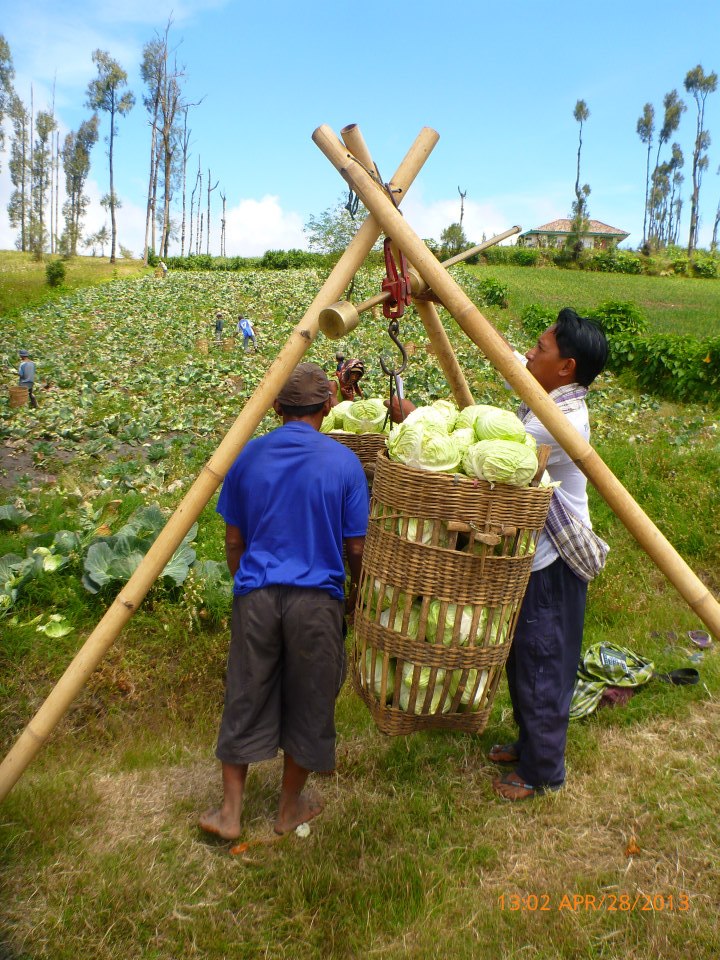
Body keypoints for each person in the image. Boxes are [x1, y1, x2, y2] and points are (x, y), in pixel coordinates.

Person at [385, 308, 609, 801]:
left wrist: (416, 418)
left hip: (552, 563)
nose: (530, 353)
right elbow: (509, 358)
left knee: (543, 660)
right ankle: (530, 744)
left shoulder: (562, 420)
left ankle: (542, 772)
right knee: (526, 658)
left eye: (542, 348)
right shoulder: (549, 399)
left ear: (566, 367)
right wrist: (446, 308)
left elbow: (475, 454)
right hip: (532, 557)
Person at [199, 362, 369, 840]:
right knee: (311, 698)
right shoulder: (343, 463)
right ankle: (288, 809)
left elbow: (234, 541)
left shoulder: (248, 457)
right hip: (317, 602)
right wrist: (358, 595)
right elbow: (355, 546)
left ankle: (230, 814)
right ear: (329, 406)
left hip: (257, 594)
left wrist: (246, 582)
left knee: (245, 693)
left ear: (275, 408)